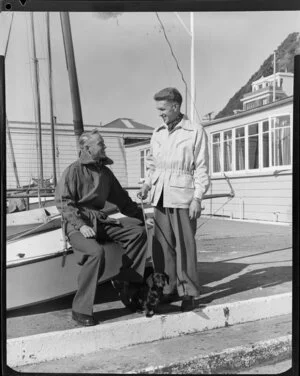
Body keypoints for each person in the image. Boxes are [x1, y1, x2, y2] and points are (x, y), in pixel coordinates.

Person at [55, 129, 148, 326]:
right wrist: (80, 226)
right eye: (101, 144)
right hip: (76, 225)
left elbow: (123, 200)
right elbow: (64, 202)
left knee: (137, 231)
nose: (105, 147)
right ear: (86, 148)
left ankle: (126, 282)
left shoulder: (105, 173)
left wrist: (142, 218)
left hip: (99, 221)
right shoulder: (73, 171)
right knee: (96, 252)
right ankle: (80, 309)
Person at [138, 87, 210, 312]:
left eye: (162, 109)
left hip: (182, 197)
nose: (160, 113)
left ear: (175, 106)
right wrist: (146, 184)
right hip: (159, 195)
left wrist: (197, 198)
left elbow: (201, 167)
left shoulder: (194, 131)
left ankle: (188, 293)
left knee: (185, 246)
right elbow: (152, 165)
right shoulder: (158, 132)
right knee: (162, 247)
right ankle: (167, 289)